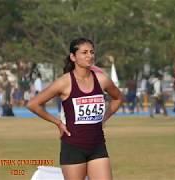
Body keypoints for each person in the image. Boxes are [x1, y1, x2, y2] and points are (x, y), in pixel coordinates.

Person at [27, 37, 123, 180]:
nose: (89, 56)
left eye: (91, 52)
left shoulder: (101, 79)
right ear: (73, 57)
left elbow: (118, 98)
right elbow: (33, 104)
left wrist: (104, 118)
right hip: (73, 148)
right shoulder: (64, 82)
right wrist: (58, 123)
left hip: (97, 146)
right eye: (84, 52)